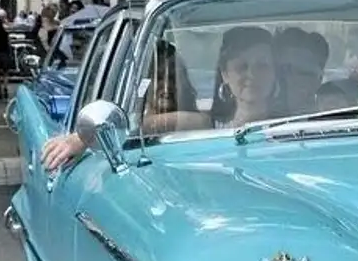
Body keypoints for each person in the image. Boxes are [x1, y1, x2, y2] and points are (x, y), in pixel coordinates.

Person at [42, 26, 287, 171]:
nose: (252, 75)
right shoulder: (205, 124)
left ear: (276, 71)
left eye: (263, 66)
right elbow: (134, 126)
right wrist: (81, 137)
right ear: (224, 73)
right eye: (241, 67)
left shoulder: (297, 126)